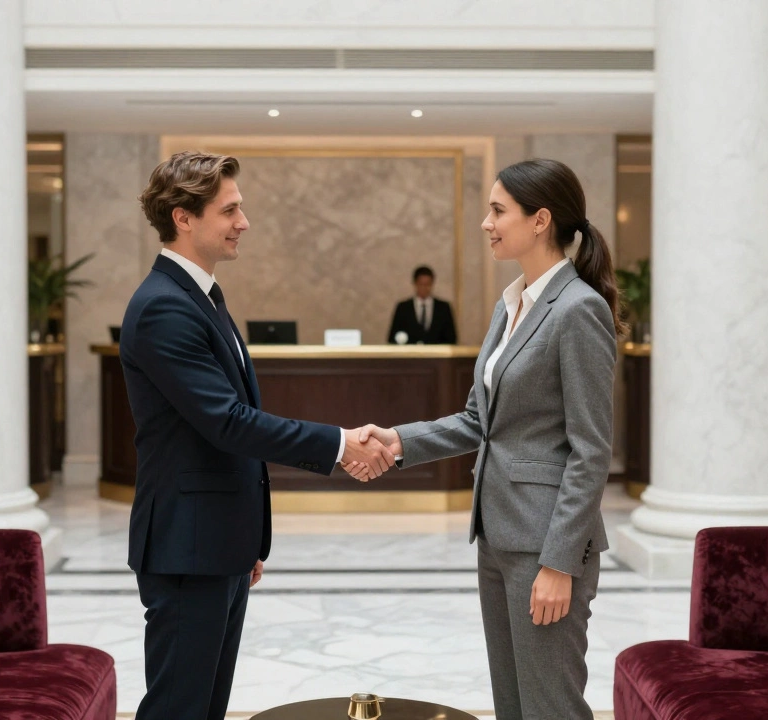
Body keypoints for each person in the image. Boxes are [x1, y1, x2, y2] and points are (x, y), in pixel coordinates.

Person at [119, 151, 396, 720]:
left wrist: (243, 539)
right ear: (183, 217)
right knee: (179, 708)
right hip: (186, 549)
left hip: (214, 543)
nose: (244, 222)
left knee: (207, 707)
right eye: (231, 210)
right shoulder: (163, 309)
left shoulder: (200, 296)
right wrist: (341, 445)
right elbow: (228, 422)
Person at [347, 159, 623, 720]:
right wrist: (396, 440)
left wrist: (559, 564)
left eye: (498, 211)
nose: (486, 222)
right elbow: (479, 421)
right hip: (498, 535)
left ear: (540, 219)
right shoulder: (511, 303)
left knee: (550, 707)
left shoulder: (578, 309)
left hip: (547, 547)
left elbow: (591, 451)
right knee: (512, 706)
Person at [387, 265, 457, 344]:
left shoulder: (444, 308)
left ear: (432, 284)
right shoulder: (403, 308)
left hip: (436, 355)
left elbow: (451, 339)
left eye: (427, 284)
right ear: (415, 284)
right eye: (421, 284)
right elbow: (393, 338)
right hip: (409, 355)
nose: (424, 288)